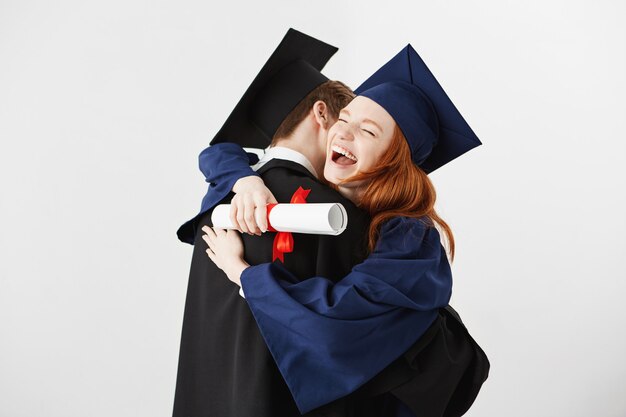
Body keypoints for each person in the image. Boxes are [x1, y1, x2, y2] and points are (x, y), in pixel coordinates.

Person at [200, 44, 489, 417]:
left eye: (367, 131)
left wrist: (242, 274)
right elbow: (218, 153)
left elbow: (337, 323)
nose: (343, 134)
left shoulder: (410, 235)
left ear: (393, 160)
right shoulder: (331, 198)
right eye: (344, 118)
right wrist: (246, 183)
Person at [173, 29, 390, 417]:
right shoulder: (334, 215)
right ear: (322, 113)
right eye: (347, 123)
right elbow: (350, 347)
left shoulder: (219, 204)